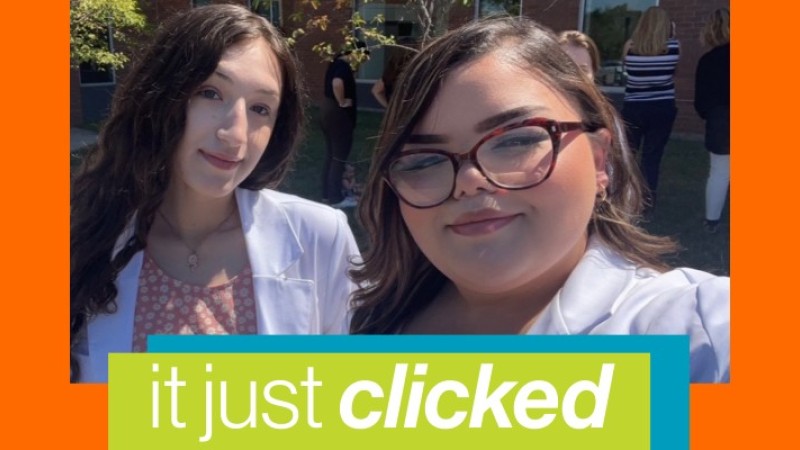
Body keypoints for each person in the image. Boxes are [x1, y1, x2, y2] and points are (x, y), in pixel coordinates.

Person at [349, 16, 729, 383]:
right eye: (424, 160)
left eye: (516, 140)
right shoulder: (360, 324)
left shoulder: (700, 331)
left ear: (599, 159)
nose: (469, 181)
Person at [70, 4, 360, 383]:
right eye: (210, 92)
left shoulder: (321, 237)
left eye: (260, 108)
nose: (236, 134)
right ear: (159, 97)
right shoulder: (83, 236)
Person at [621, 6, 680, 209]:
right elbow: (675, 71)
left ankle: (622, 196)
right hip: (662, 107)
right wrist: (672, 33)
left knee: (628, 154)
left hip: (634, 106)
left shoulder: (629, 47)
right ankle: (647, 202)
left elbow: (626, 71)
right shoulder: (674, 47)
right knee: (652, 157)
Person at [694, 8, 730, 234]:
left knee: (719, 172)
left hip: (720, 121)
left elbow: (701, 103)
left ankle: (712, 220)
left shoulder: (707, 60)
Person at [320, 42, 368, 207]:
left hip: (327, 112)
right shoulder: (343, 67)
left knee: (331, 155)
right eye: (362, 58)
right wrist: (342, 101)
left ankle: (326, 195)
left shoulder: (335, 63)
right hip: (338, 117)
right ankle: (336, 199)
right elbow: (337, 83)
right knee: (339, 158)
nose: (361, 62)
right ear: (356, 53)